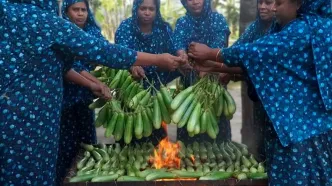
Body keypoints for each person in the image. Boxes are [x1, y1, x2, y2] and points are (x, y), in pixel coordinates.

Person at [0, 0, 185, 185]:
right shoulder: (40, 20)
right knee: (32, 169)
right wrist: (157, 59)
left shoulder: (6, 12)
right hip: (32, 117)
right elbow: (104, 51)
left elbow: (59, 66)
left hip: (9, 110)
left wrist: (93, 84)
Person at [188, 0, 332, 185]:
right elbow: (261, 65)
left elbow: (256, 52)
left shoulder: (303, 30)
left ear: (297, 4)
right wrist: (214, 66)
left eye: (278, 3)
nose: (272, 8)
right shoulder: (295, 28)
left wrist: (211, 54)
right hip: (294, 130)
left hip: (302, 133)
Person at [55, 0, 111, 185]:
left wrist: (129, 65)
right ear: (67, 11)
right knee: (66, 144)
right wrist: (95, 83)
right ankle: (64, 179)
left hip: (86, 98)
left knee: (88, 142)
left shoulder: (93, 33)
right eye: (75, 9)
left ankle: (88, 179)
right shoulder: (62, 33)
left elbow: (108, 54)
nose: (80, 14)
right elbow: (73, 67)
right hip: (66, 97)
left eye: (83, 10)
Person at [173, 0, 233, 143]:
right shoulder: (182, 22)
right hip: (190, 82)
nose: (194, 2)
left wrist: (207, 66)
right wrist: (182, 57)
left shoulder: (218, 20)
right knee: (189, 132)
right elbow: (178, 43)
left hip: (215, 80)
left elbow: (219, 47)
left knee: (217, 130)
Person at [233, 0, 275, 161]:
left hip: (277, 101)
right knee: (260, 141)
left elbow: (259, 64)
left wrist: (213, 61)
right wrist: (218, 64)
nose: (262, 7)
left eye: (269, 2)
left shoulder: (282, 30)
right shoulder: (254, 28)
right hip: (258, 99)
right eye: (260, 2)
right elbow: (236, 51)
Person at [115, 0, 182, 89]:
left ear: (156, 10)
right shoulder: (125, 27)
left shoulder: (164, 28)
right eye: (143, 8)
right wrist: (132, 65)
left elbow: (173, 49)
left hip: (159, 83)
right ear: (136, 8)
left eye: (151, 9)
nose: (147, 13)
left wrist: (181, 56)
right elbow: (121, 52)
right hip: (130, 85)